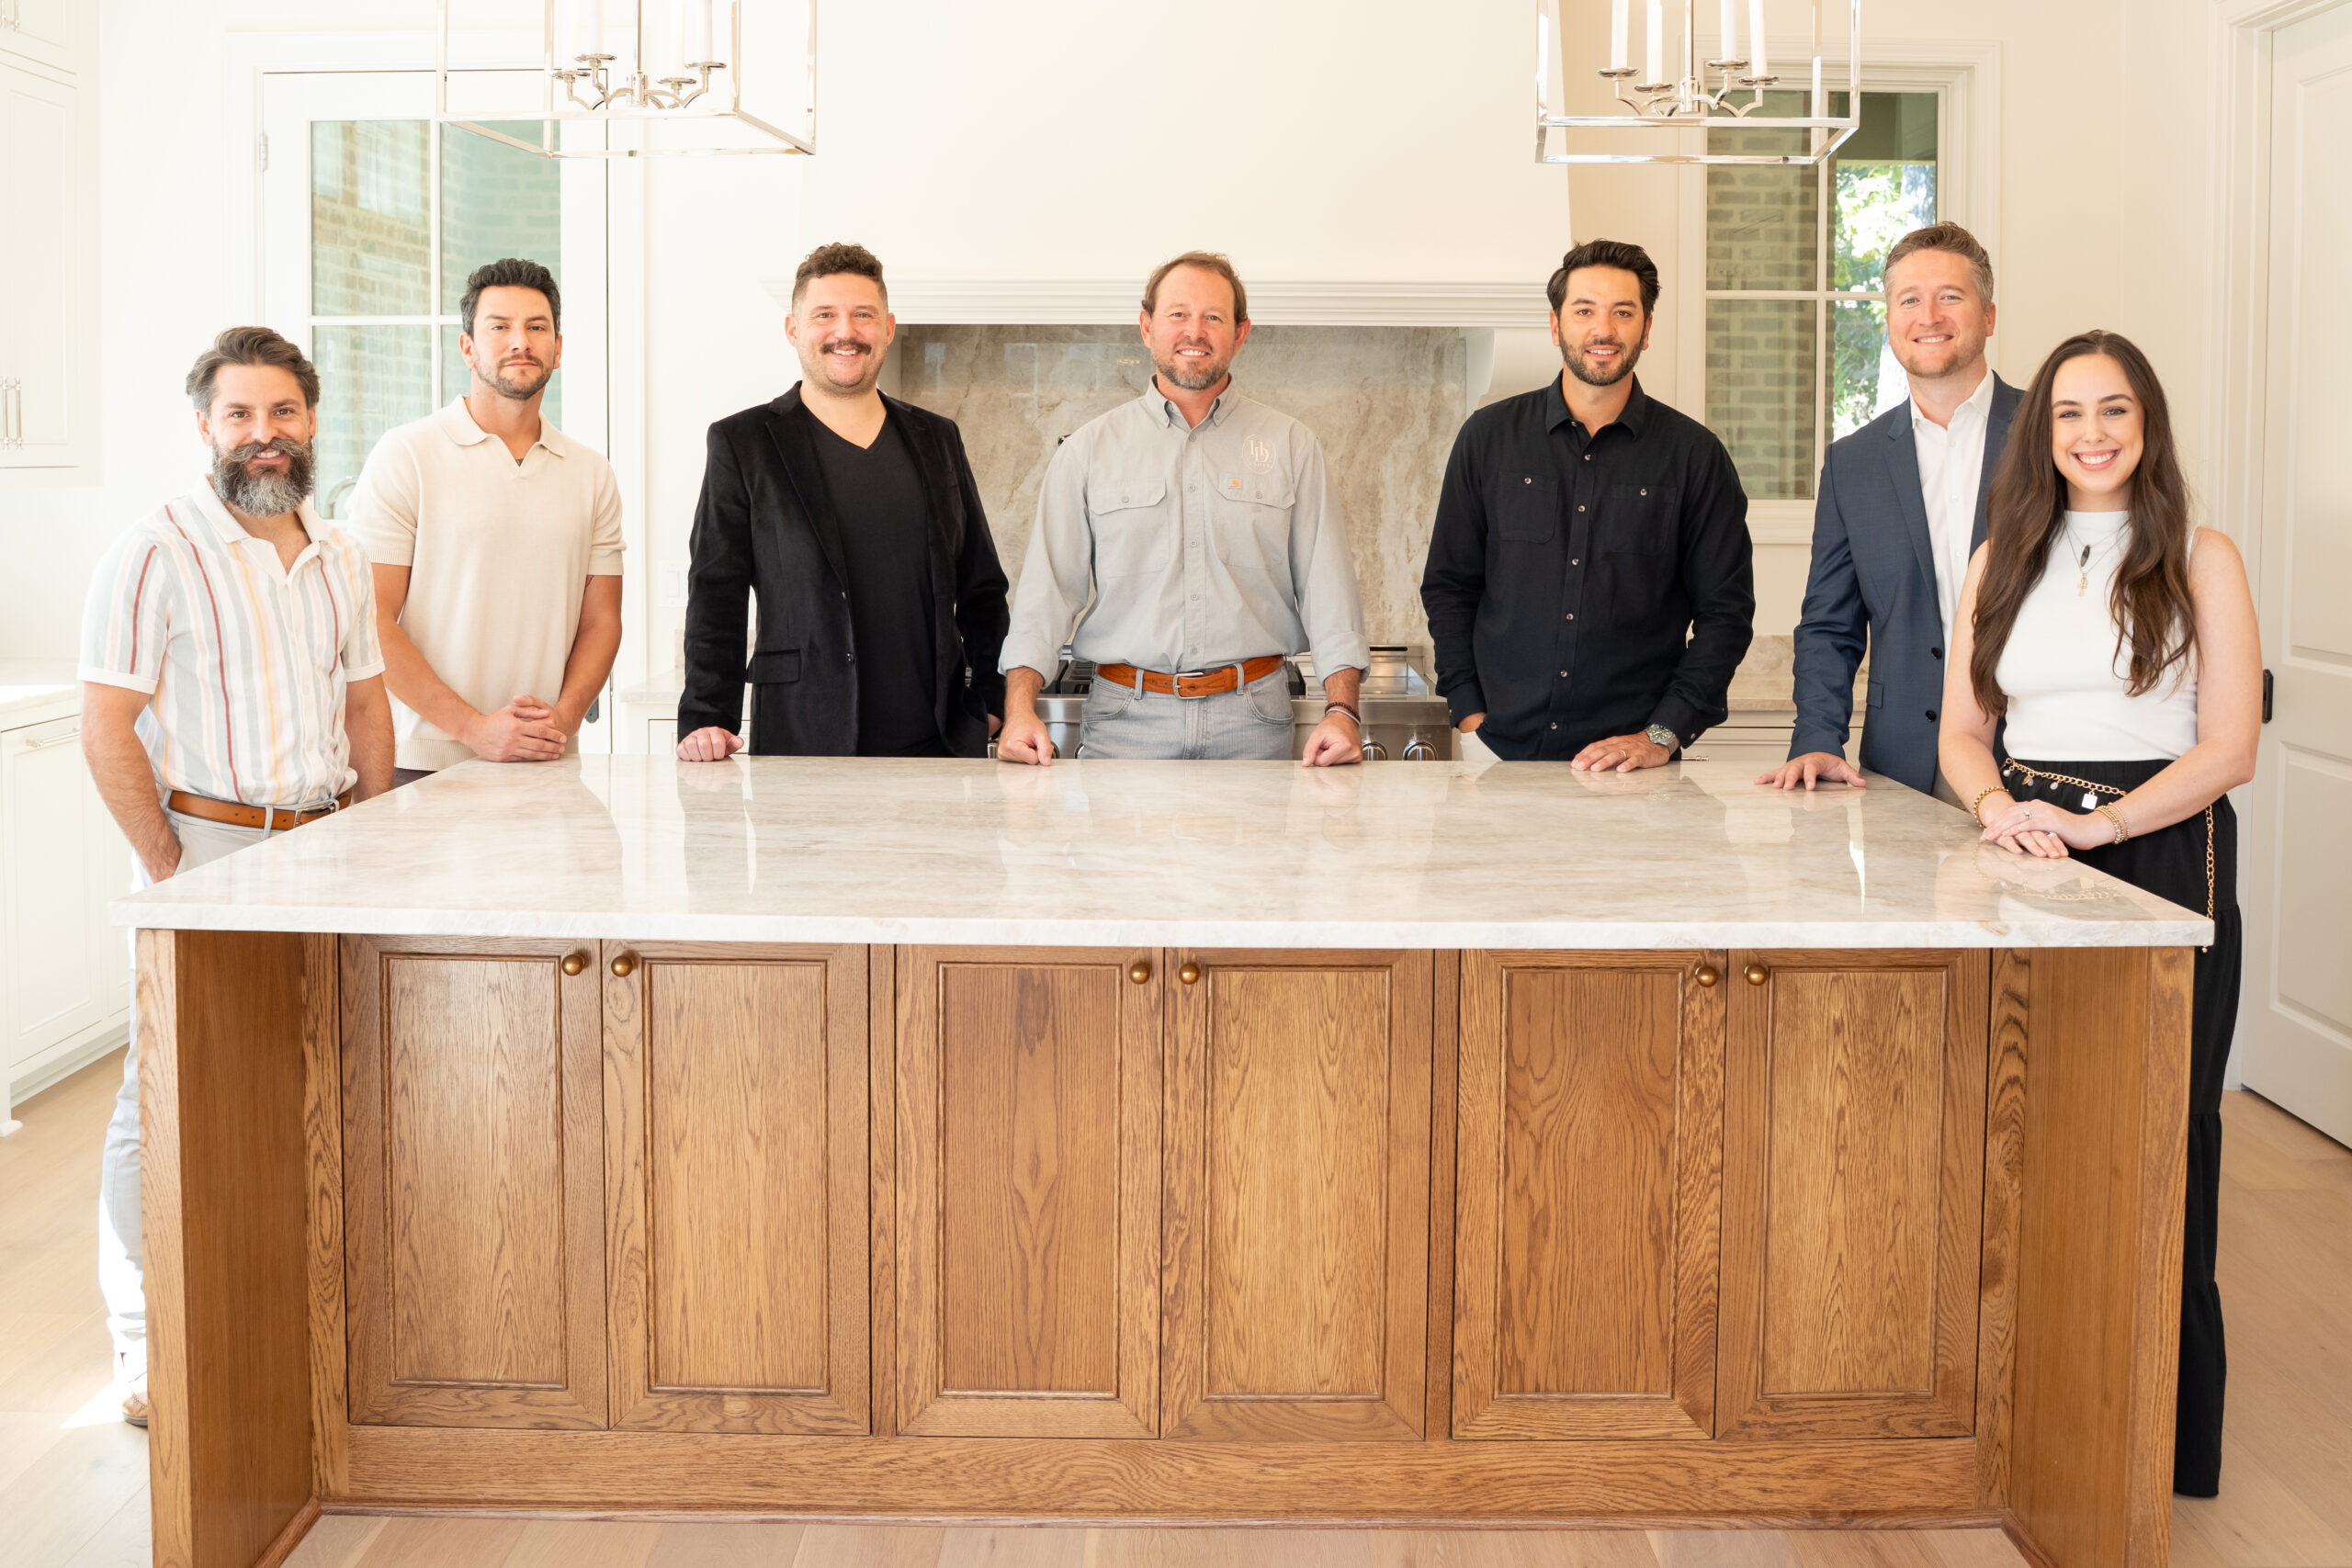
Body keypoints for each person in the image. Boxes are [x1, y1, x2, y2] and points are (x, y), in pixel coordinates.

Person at [1939, 330, 2260, 1497]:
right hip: (2019, 847)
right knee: (2024, 1125)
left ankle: (2161, 1436)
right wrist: (1997, 809)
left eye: (2114, 412)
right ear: (2041, 433)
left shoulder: (2200, 558)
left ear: (2148, 426)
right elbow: (1962, 732)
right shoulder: (1997, 562)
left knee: (2161, 1135)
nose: (2091, 433)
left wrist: (2102, 830)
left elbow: (2231, 747)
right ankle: (2022, 1417)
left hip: (2164, 847)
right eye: (2069, 413)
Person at [77, 327, 394, 1427]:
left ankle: (292, 1313)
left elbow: (364, 708)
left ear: (312, 421)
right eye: (239, 417)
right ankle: (146, 1348)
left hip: (323, 842)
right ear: (206, 430)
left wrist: (368, 837)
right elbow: (106, 726)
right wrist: (170, 871)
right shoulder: (156, 550)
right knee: (162, 1093)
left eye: (282, 414)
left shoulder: (341, 552)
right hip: (206, 845)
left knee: (307, 1075)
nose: (264, 436)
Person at [995, 251, 1370, 765]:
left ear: (1240, 333)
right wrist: (1019, 709)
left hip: (1254, 720)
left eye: (1213, 317)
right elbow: (1046, 596)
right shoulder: (1086, 450)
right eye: (1178, 314)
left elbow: (1330, 594)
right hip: (1124, 722)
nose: (1195, 331)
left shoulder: (1292, 446)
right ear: (1147, 326)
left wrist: (1343, 711)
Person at [1421, 239, 1754, 768]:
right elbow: (1449, 584)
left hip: (1633, 765)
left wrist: (1662, 735)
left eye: (1623, 312)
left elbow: (1726, 616)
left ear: (1646, 329)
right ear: (1556, 326)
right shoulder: (1487, 439)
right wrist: (1466, 705)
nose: (1604, 330)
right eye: (1584, 311)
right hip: (1496, 750)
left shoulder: (1695, 456)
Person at [677, 243, 1010, 759]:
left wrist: (992, 698)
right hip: (802, 739)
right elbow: (716, 595)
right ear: (793, 329)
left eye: (862, 316)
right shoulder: (744, 443)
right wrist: (706, 718)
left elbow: (981, 585)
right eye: (824, 315)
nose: (845, 332)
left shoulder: (937, 438)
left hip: (937, 746)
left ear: (888, 328)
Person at [1763, 222, 2018, 798]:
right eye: (1909, 300)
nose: (1928, 316)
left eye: (1950, 296)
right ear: (1889, 321)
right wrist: (1816, 736)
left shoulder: (2052, 434)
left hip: (2038, 753)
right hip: (1905, 764)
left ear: (1989, 316)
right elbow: (1829, 624)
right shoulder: (1852, 464)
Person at [350, 258, 624, 784]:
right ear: (468, 348)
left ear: (558, 349)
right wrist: (475, 729)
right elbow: (370, 622)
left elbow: (601, 621)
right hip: (424, 761)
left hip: (546, 761)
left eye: (536, 327)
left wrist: (562, 722)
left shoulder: (591, 473)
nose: (519, 341)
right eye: (499, 327)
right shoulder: (407, 454)